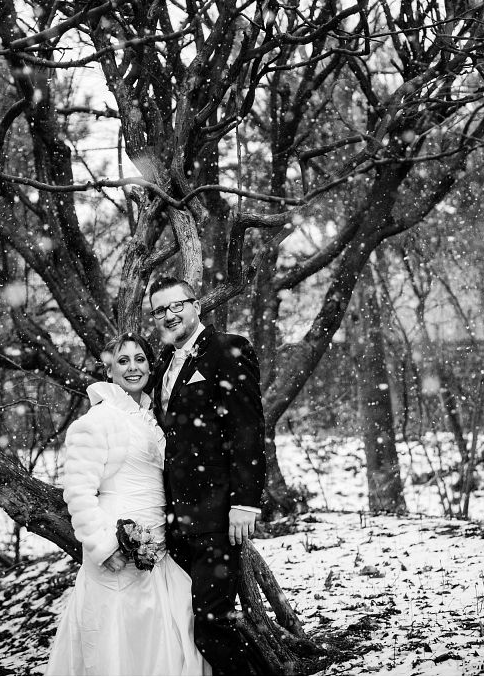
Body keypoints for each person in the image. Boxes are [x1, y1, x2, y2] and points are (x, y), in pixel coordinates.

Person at [46, 333, 206, 676]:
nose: (133, 367)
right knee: (118, 644)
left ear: (151, 366)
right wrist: (105, 547)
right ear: (109, 371)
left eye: (140, 359)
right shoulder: (97, 422)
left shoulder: (151, 418)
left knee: (171, 639)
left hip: (160, 548)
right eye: (123, 361)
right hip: (117, 551)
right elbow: (78, 492)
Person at [149, 277, 267, 675]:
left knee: (211, 626)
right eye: (159, 310)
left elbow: (247, 429)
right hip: (176, 519)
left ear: (196, 305)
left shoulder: (227, 349)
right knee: (189, 622)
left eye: (176, 305)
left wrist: (245, 502)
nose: (169, 315)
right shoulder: (163, 362)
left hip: (218, 515)